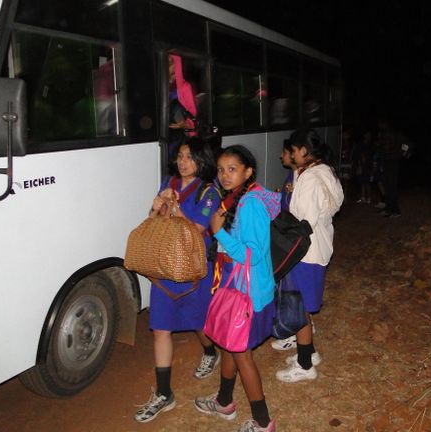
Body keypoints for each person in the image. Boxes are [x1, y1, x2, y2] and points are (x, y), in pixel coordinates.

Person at [134, 137, 221, 424]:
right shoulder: (168, 182)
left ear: (202, 160)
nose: (183, 162)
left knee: (198, 321)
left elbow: (198, 229)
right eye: (181, 156)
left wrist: (176, 209)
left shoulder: (209, 192)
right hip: (166, 265)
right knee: (161, 327)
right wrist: (155, 207)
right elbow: (154, 221)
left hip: (194, 266)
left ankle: (210, 351)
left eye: (190, 157)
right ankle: (164, 394)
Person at [195, 145, 279, 432]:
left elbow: (252, 254)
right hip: (238, 287)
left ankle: (263, 422)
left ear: (248, 171)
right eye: (221, 170)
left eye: (232, 169)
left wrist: (218, 232)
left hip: (248, 294)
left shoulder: (250, 204)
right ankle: (224, 401)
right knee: (228, 345)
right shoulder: (236, 198)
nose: (225, 175)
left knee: (242, 355)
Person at [274, 129, 344, 383]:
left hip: (305, 252)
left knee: (299, 308)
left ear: (303, 150)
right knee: (302, 305)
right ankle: (309, 353)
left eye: (293, 150)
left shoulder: (310, 178)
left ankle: (305, 366)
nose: (291, 155)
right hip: (318, 246)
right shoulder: (324, 171)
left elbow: (303, 220)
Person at [376, 119, 410, 218]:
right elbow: (382, 147)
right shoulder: (383, 134)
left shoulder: (395, 133)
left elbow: (407, 144)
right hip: (386, 161)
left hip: (393, 161)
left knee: (392, 186)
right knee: (386, 185)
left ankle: (396, 211)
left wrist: (402, 153)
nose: (380, 125)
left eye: (382, 123)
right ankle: (388, 209)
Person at [279, 138, 295, 211]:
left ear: (293, 154)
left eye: (284, 153)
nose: (281, 156)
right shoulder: (291, 173)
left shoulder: (302, 177)